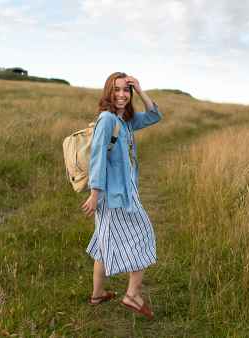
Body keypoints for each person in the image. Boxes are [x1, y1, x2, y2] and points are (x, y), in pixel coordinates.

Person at [81, 72, 162, 319]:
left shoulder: (125, 120)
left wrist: (139, 88)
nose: (121, 95)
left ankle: (97, 295)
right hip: (114, 195)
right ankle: (132, 295)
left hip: (120, 191)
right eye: (116, 90)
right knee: (144, 236)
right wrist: (95, 194)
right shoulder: (107, 119)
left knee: (104, 244)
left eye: (125, 90)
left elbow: (154, 115)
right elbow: (97, 159)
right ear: (108, 92)